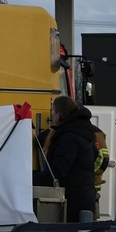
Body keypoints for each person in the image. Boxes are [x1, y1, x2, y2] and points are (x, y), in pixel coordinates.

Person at [32, 95, 96, 223]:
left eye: (52, 110)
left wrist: (30, 180)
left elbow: (57, 173)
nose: (51, 114)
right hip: (84, 198)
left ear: (58, 113)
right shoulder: (81, 130)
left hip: (72, 201)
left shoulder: (68, 137)